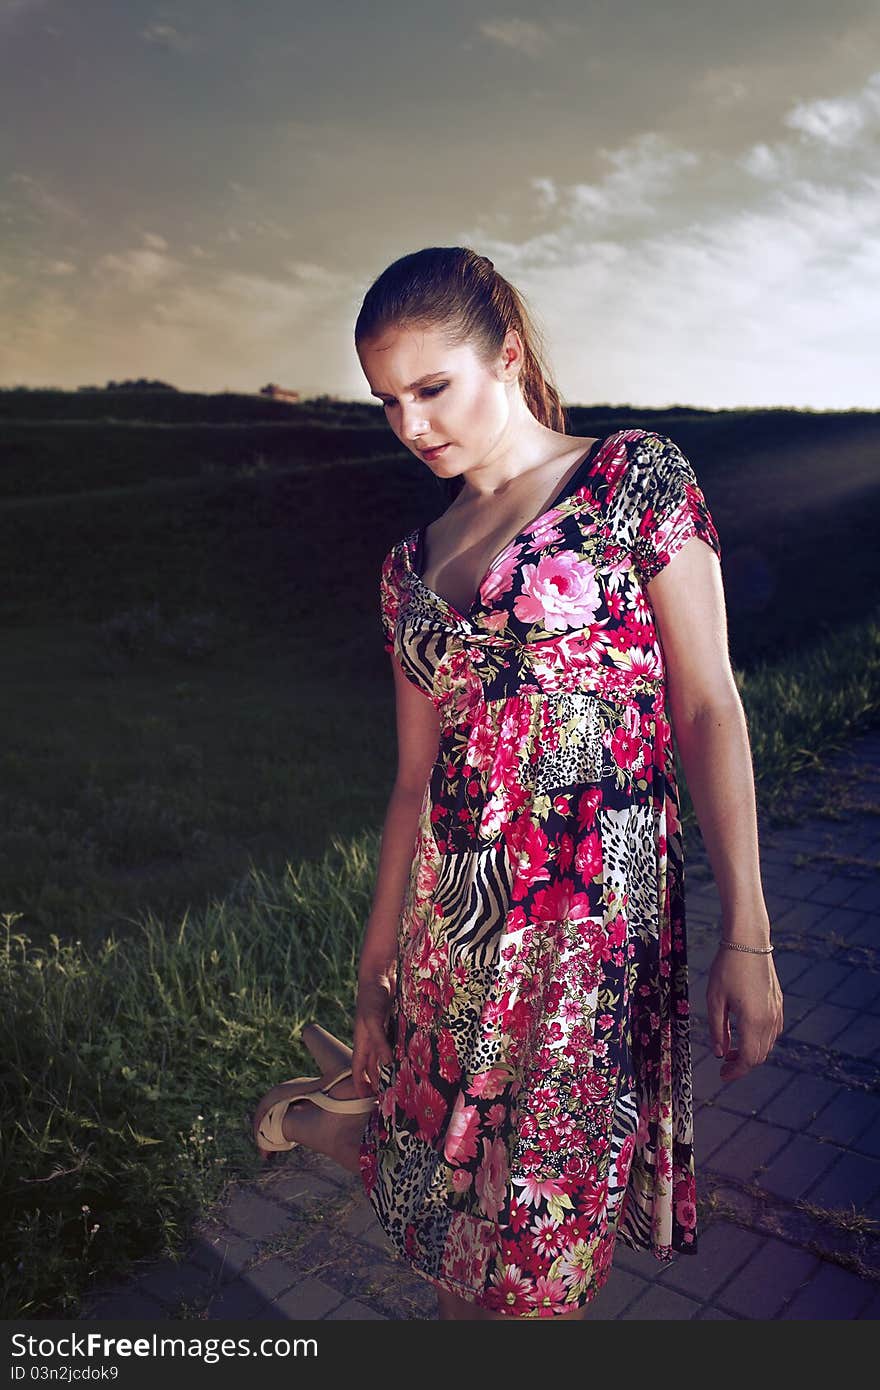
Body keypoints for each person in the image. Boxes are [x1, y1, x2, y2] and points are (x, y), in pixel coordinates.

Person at [252, 246, 784, 1321]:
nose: (410, 425)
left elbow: (706, 708)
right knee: (475, 1232)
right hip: (456, 930)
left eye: (431, 387)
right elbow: (413, 781)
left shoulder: (635, 480)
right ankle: (355, 1113)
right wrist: (371, 965)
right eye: (386, 401)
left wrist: (748, 932)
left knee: (525, 1270)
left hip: (596, 946)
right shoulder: (410, 565)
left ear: (508, 353)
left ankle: (337, 1120)